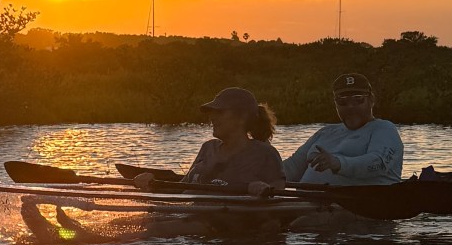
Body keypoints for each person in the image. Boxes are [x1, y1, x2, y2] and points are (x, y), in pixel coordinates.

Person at [134, 87, 285, 195]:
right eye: (212, 112)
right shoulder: (208, 148)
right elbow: (181, 188)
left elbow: (278, 195)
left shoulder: (265, 154)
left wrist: (261, 190)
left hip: (226, 223)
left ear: (242, 117)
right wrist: (152, 184)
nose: (212, 117)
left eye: (219, 112)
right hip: (190, 218)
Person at [283, 73, 403, 186]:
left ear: (371, 100)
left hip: (358, 200)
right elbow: (292, 167)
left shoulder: (384, 129)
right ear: (335, 103)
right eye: (342, 101)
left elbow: (378, 164)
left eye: (358, 99)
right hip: (303, 199)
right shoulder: (325, 132)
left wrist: (338, 163)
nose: (350, 106)